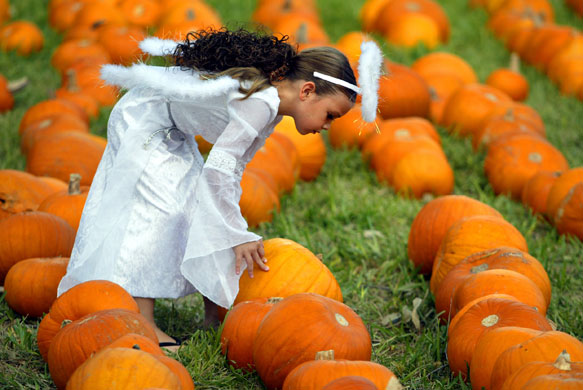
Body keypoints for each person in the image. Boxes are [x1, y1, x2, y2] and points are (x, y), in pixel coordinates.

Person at [56, 27, 380, 351]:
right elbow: (219, 170)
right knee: (159, 212)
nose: (326, 127)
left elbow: (231, 170)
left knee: (201, 207)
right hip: (144, 118)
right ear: (307, 91)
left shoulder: (272, 109)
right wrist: (234, 232)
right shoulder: (262, 103)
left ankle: (214, 317)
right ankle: (144, 325)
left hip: (172, 128)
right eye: (330, 116)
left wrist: (231, 226)